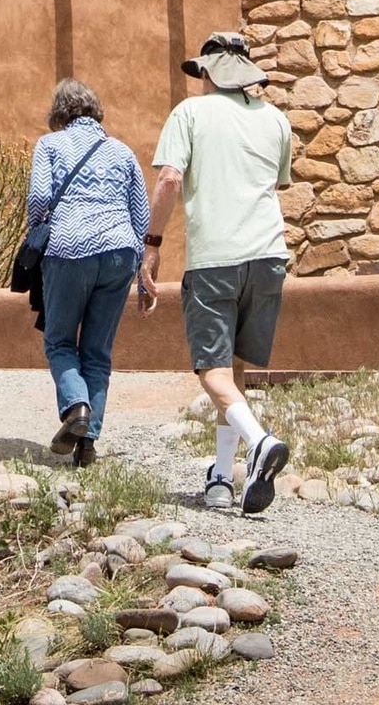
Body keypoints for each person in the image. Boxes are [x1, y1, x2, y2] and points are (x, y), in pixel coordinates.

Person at [146, 28, 294, 515]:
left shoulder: (189, 113)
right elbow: (276, 182)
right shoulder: (276, 120)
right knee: (236, 370)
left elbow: (170, 179)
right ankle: (223, 476)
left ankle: (259, 442)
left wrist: (152, 244)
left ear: (205, 71)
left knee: (211, 368)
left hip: (216, 258)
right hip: (269, 256)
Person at [25, 77, 151, 464]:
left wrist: (37, 233)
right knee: (97, 351)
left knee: (61, 342)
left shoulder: (49, 145)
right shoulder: (122, 151)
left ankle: (76, 407)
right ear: (95, 111)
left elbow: (39, 198)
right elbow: (140, 214)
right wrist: (143, 275)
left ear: (59, 113)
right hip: (119, 253)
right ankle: (88, 445)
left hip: (67, 250)